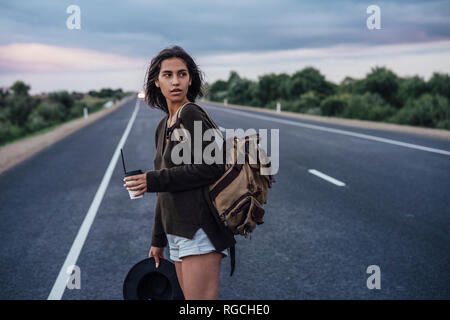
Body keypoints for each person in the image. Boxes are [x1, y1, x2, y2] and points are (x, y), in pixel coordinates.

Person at [123, 45, 235, 300]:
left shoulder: (191, 114)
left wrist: (152, 179)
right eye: (168, 75)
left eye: (182, 74)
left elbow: (213, 165)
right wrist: (157, 239)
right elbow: (165, 189)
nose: (176, 81)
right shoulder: (164, 125)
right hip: (177, 232)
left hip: (199, 229)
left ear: (190, 79)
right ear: (157, 81)